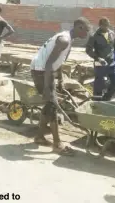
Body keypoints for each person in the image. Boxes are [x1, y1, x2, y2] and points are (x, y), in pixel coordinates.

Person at [30, 17, 91, 155]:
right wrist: (47, 87)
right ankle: (57, 144)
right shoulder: (64, 40)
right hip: (42, 71)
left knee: (49, 104)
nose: (87, 34)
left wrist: (61, 80)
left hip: (45, 71)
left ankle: (39, 137)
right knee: (52, 104)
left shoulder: (69, 39)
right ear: (79, 27)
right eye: (86, 31)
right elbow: (49, 64)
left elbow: (58, 61)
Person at [86, 17, 115, 100]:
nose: (107, 27)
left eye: (108, 25)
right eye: (104, 25)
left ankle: (106, 98)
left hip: (111, 62)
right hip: (99, 62)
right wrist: (98, 58)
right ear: (100, 25)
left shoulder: (112, 34)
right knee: (99, 84)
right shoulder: (94, 36)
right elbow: (88, 50)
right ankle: (97, 101)